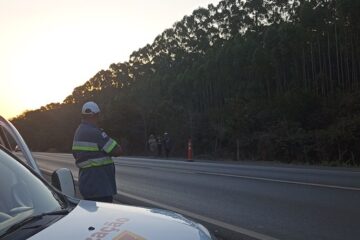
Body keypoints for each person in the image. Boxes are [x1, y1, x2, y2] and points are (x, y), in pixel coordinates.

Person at [72, 101, 122, 203]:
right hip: (100, 186)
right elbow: (117, 151)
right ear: (95, 115)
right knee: (104, 216)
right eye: (98, 115)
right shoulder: (95, 132)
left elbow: (75, 154)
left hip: (88, 184)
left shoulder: (79, 131)